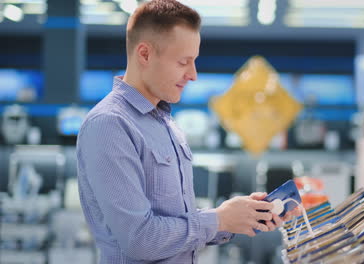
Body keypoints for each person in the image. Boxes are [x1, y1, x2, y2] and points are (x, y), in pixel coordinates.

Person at [77, 0, 299, 263]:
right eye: (184, 62)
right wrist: (219, 218)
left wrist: (237, 216)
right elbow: (140, 240)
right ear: (145, 55)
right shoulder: (110, 125)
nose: (193, 75)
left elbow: (175, 222)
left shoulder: (165, 123)